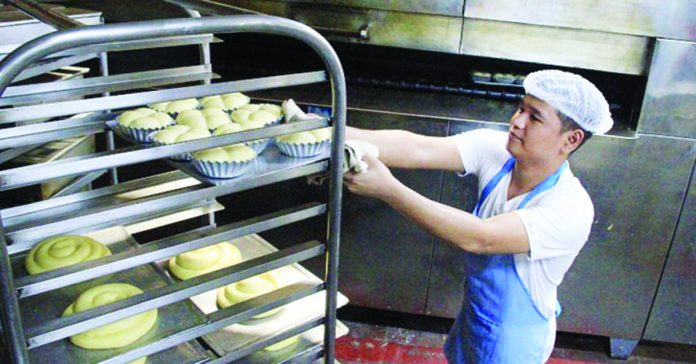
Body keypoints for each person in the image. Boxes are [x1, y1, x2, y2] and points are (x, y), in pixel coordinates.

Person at [343, 69, 613, 363]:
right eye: (520, 108)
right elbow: (417, 148)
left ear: (570, 140)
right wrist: (329, 132)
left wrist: (389, 189)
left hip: (515, 343)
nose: (517, 121)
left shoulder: (570, 207)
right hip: (474, 318)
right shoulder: (497, 150)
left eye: (534, 117)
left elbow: (480, 237)